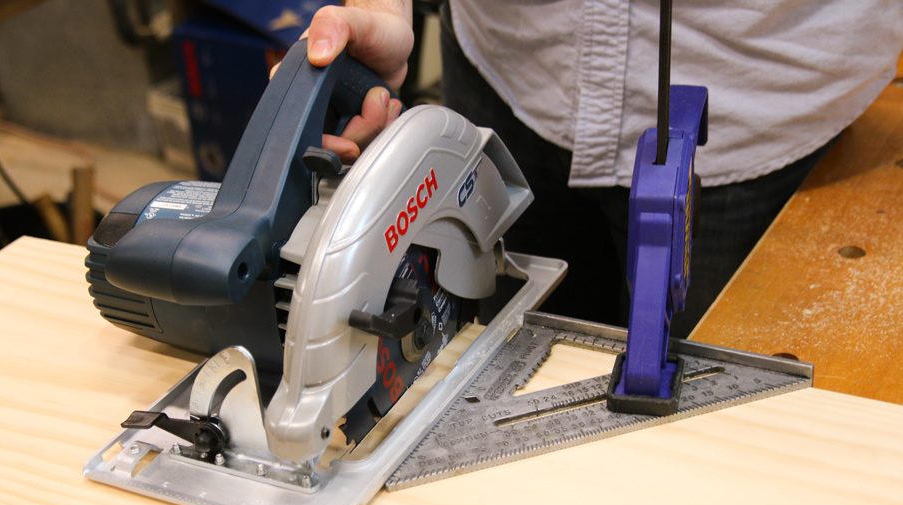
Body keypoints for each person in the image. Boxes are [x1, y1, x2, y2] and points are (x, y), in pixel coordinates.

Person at [302, 1, 903, 336]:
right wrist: (383, 7)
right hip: (510, 70)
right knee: (485, 362)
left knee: (711, 447)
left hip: (764, 108)